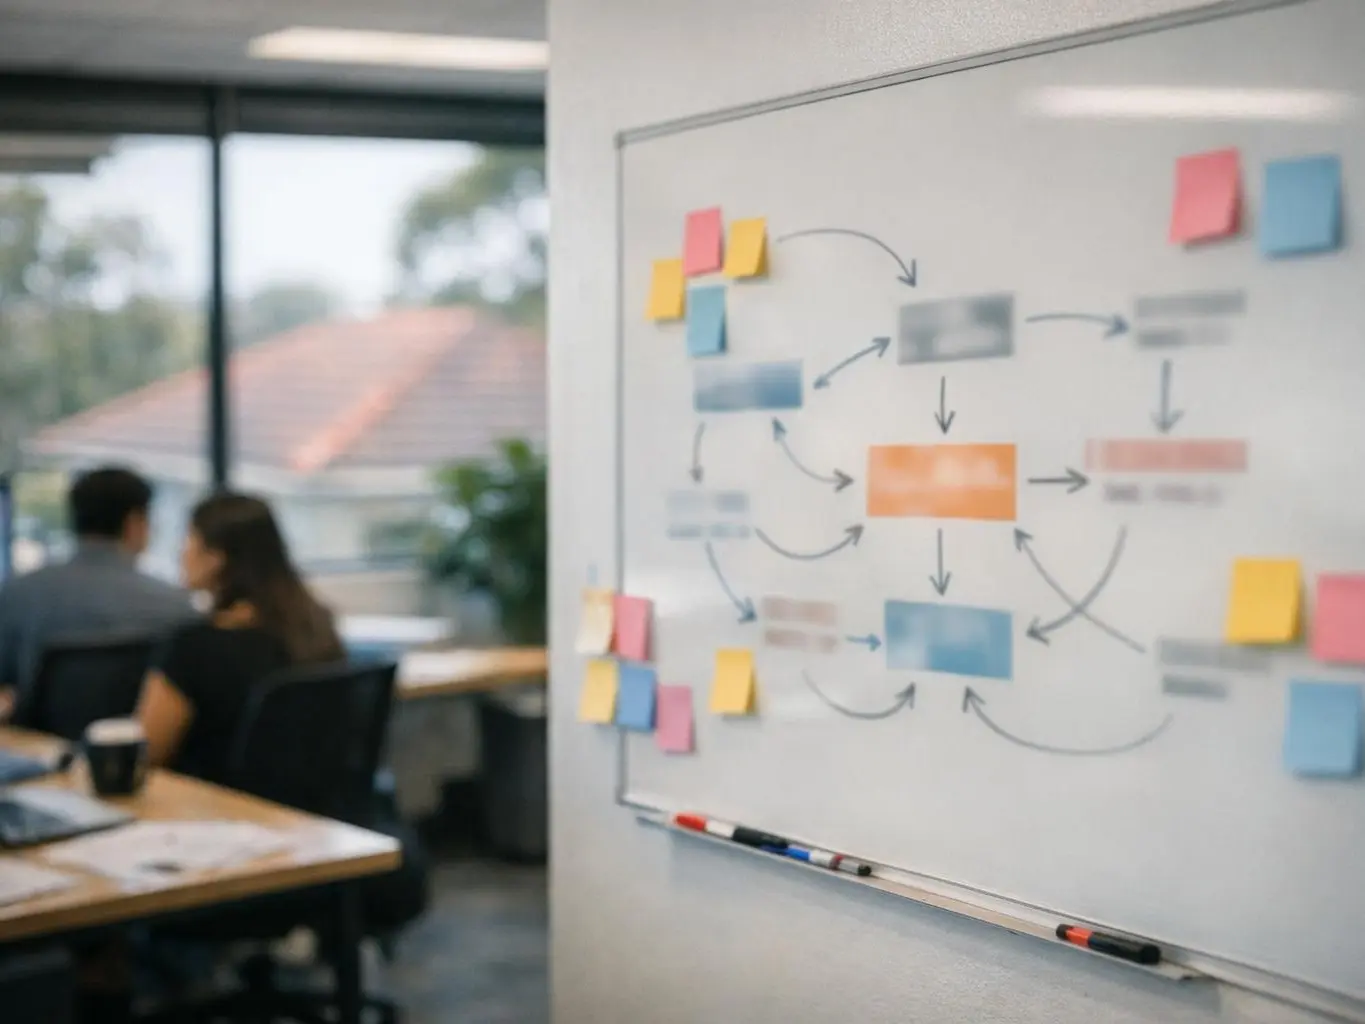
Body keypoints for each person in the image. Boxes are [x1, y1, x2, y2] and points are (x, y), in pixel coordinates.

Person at [137, 491, 344, 782]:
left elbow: (146, 753)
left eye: (189, 539)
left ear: (216, 558)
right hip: (305, 805)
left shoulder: (193, 648)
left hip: (215, 804)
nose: (181, 553)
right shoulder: (315, 627)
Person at [0, 467, 193, 719]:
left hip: (39, 739)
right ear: (135, 523)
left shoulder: (17, 595)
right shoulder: (177, 608)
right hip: (137, 740)